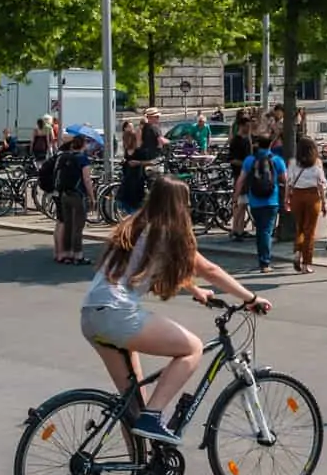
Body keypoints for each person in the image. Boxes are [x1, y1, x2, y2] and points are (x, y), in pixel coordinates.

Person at [79, 176, 271, 447]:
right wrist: (250, 298)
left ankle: (141, 467)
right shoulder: (167, 231)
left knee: (132, 405)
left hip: (91, 316)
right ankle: (154, 417)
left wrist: (196, 291)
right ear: (179, 205)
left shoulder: (135, 226)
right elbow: (209, 270)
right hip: (117, 313)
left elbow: (162, 268)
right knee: (192, 348)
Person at [239, 137, 288, 273]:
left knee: (261, 230)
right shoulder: (277, 160)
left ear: (257, 145)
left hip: (254, 200)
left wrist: (235, 196)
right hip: (272, 200)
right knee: (267, 231)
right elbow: (286, 180)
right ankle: (265, 262)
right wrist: (287, 197)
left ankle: (262, 258)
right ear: (271, 144)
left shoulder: (250, 160)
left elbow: (241, 180)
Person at [285, 135, 326, 274]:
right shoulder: (317, 162)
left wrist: (287, 199)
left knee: (300, 227)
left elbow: (288, 182)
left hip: (297, 195)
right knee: (310, 231)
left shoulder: (292, 162)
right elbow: (321, 184)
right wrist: (324, 202)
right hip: (312, 196)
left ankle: (297, 251)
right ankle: (306, 264)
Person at [52, 133, 93, 265]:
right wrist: (92, 196)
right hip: (77, 194)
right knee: (78, 227)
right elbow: (86, 180)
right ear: (83, 145)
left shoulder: (66, 157)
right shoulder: (83, 159)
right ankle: (78, 255)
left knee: (68, 225)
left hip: (64, 194)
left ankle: (67, 254)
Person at [226, 123, 253, 240]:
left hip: (245, 175)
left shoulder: (247, 140)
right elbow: (232, 160)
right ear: (242, 126)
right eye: (248, 126)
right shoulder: (236, 142)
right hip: (239, 175)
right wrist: (246, 165)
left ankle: (240, 229)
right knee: (240, 203)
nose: (249, 129)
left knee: (243, 203)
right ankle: (235, 229)